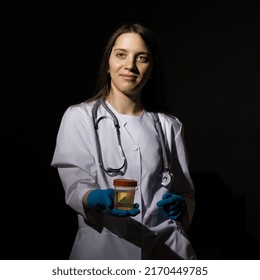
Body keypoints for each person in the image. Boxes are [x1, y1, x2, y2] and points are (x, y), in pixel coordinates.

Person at [51, 22, 197, 260]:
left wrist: (181, 204)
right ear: (108, 63)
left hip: (167, 249)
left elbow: (185, 191)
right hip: (104, 249)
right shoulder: (79, 117)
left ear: (151, 69)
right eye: (121, 55)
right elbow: (76, 184)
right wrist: (95, 198)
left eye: (142, 58)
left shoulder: (170, 126)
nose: (130, 66)